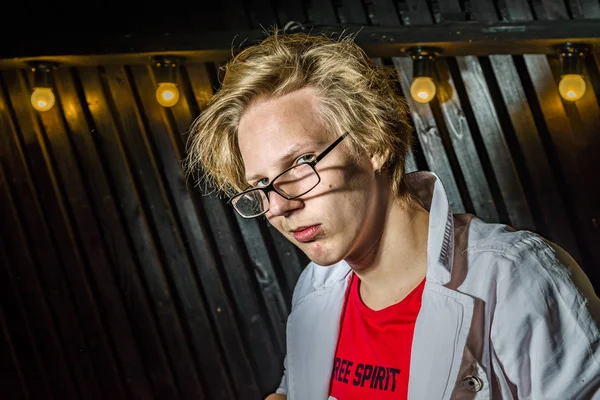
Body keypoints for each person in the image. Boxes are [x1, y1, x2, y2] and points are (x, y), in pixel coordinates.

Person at [183, 29, 600, 400]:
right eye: (260, 186)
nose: (279, 205)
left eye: (301, 163)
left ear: (374, 143)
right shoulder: (315, 287)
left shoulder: (515, 276)